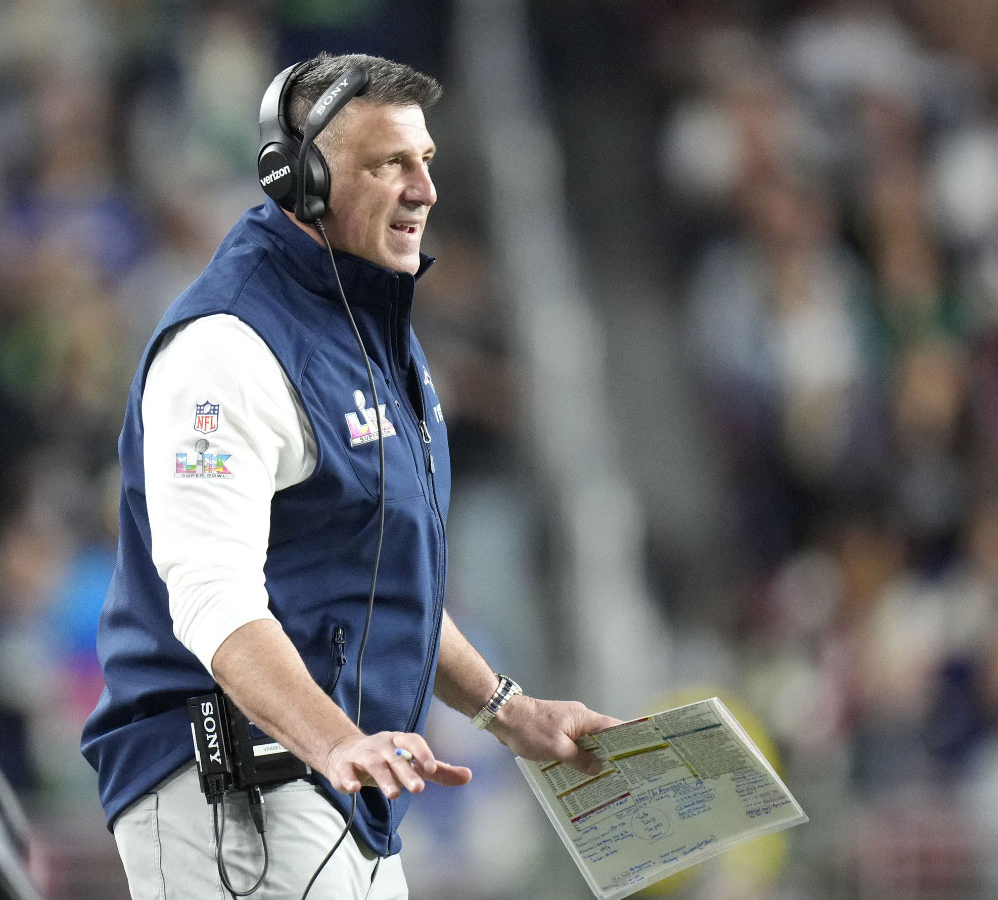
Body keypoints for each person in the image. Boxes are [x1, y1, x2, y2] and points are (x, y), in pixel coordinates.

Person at [82, 52, 621, 898]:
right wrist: (334, 741)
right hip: (237, 787)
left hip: (336, 783)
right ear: (298, 180)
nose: (425, 189)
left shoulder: (366, 327)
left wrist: (512, 713)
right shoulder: (226, 348)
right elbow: (210, 598)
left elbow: (382, 577)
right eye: (389, 164)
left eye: (427, 161)